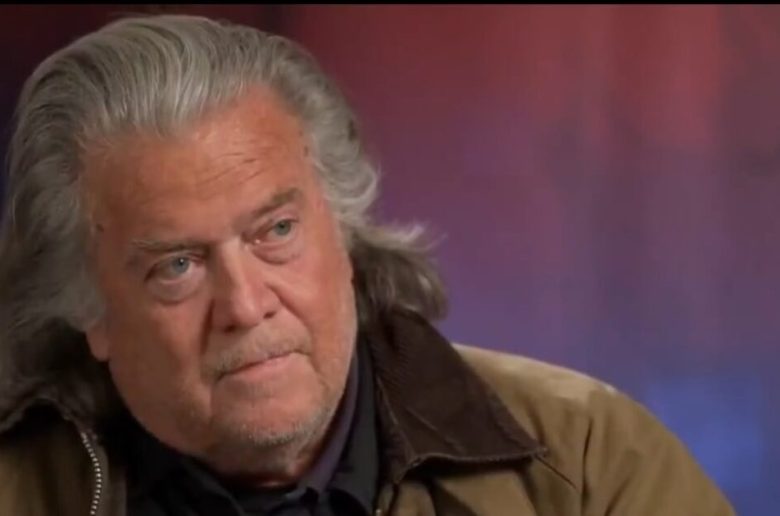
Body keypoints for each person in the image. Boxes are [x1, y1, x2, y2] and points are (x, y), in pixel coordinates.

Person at [0, 14, 735, 516]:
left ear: (344, 232)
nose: (246, 305)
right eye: (177, 267)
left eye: (276, 230)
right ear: (89, 310)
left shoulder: (590, 465)